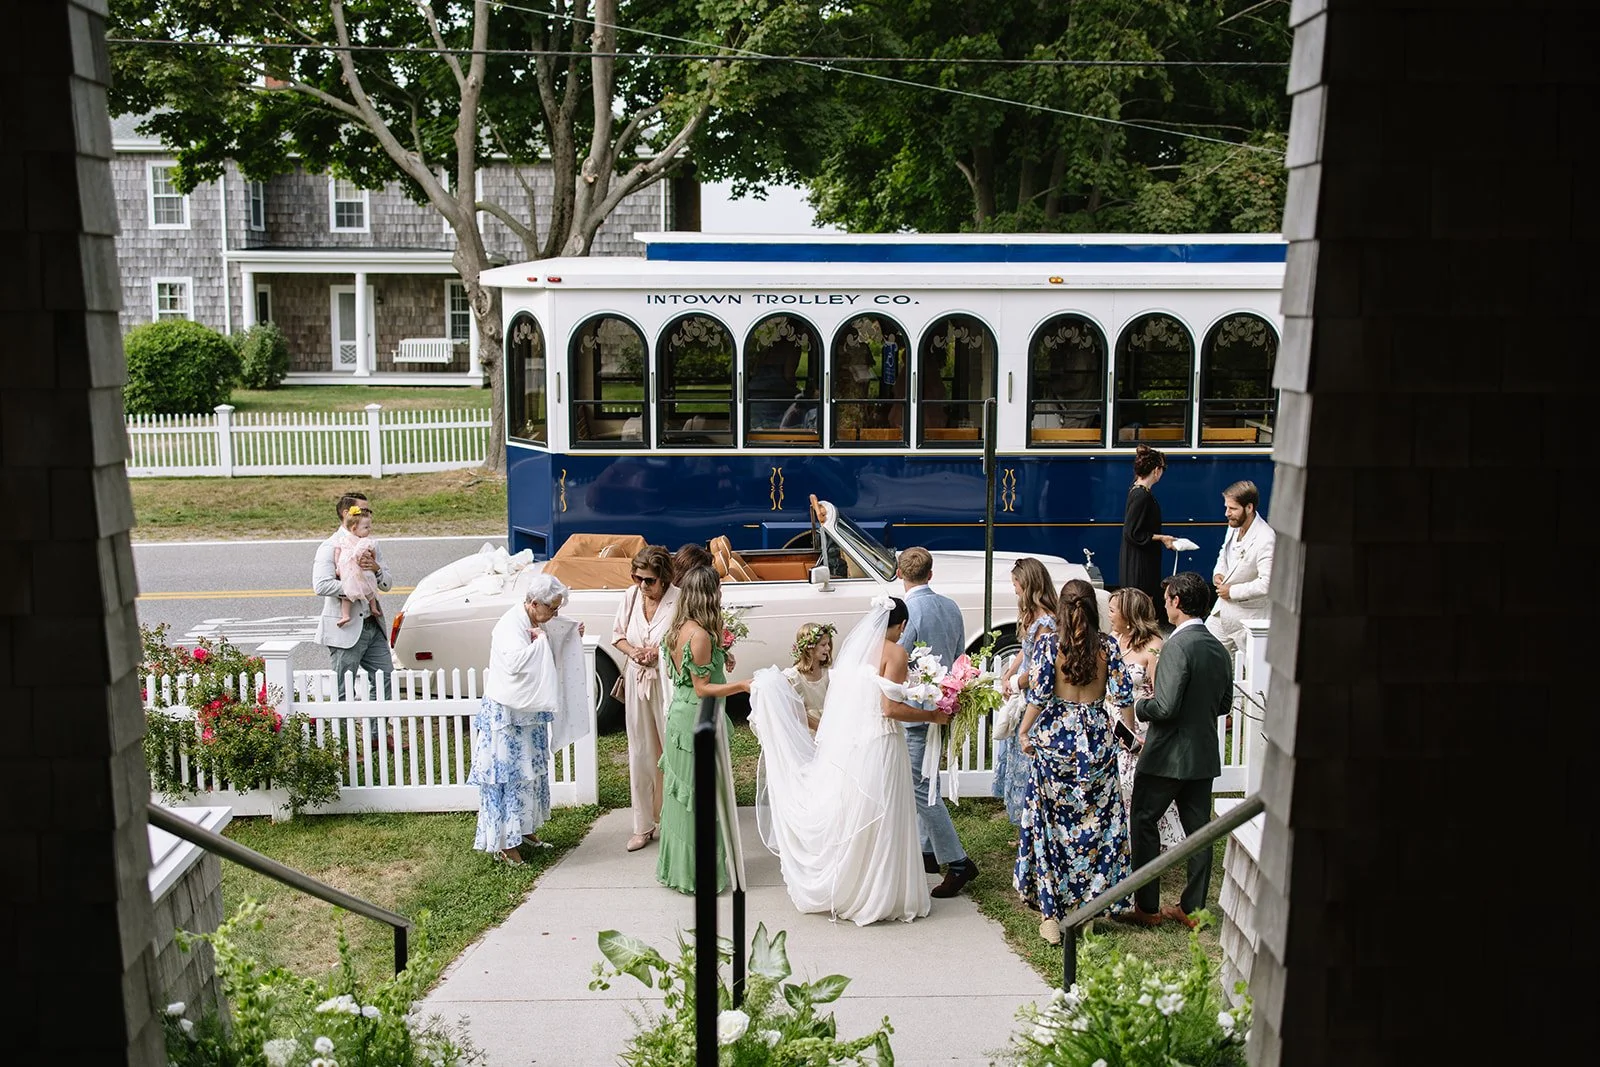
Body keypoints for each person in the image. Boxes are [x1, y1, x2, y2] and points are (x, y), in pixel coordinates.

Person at [747, 596, 948, 925]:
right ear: (901, 626)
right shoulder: (896, 652)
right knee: (886, 816)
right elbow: (889, 709)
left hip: (856, 745)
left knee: (861, 817)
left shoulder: (857, 654)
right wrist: (932, 715)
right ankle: (882, 894)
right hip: (883, 742)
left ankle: (853, 887)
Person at [1014, 579, 1134, 946]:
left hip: (1057, 741)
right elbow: (1125, 697)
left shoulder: (1051, 644)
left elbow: (1038, 695)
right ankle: (1090, 909)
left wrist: (1023, 732)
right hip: (1096, 742)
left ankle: (1052, 915)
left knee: (1050, 827)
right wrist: (1125, 734)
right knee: (1099, 825)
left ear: (1063, 609)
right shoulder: (1108, 647)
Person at [1122, 571, 1234, 929]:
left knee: (1142, 820)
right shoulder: (1218, 647)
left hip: (1167, 754)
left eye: (1167, 597)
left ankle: (1147, 906)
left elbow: (1165, 707)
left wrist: (1140, 707)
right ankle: (1193, 909)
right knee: (1199, 832)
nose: (1164, 603)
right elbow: (1224, 704)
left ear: (1177, 603)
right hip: (1202, 754)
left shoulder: (1175, 646)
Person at [471, 575, 586, 864]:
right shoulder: (509, 626)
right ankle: (504, 842)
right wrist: (543, 642)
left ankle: (524, 830)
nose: (555, 615)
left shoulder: (536, 620)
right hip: (508, 717)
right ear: (534, 604)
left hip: (527, 714)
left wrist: (567, 632)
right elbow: (515, 662)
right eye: (552, 609)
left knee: (529, 773)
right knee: (509, 776)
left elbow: (547, 639)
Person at [656, 566, 750, 895]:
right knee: (701, 799)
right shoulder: (700, 636)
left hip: (680, 718)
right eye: (718, 590)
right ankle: (697, 874)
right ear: (709, 594)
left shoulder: (680, 627)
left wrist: (723, 656)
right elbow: (702, 689)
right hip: (697, 720)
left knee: (685, 799)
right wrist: (742, 685)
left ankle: (681, 869)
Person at [895, 546, 980, 897]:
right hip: (945, 704)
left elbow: (898, 658)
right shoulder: (951, 607)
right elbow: (961, 654)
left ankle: (958, 862)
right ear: (931, 574)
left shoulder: (907, 611)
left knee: (920, 788)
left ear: (901, 576)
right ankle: (927, 852)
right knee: (928, 778)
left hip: (917, 709)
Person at [610, 545, 680, 853]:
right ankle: (642, 825)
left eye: (649, 580)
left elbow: (684, 638)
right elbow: (618, 636)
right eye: (638, 578)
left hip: (667, 684)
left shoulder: (678, 600)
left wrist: (660, 652)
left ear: (664, 578)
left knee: (671, 751)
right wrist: (634, 652)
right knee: (640, 752)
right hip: (637, 682)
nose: (643, 585)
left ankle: (676, 820)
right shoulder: (630, 596)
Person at [1107, 587, 1184, 852]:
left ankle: (1146, 841)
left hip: (1138, 726)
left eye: (1113, 610)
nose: (1110, 615)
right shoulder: (1112, 640)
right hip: (1109, 721)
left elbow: (1161, 692)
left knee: (1133, 784)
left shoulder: (1153, 646)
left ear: (1129, 614)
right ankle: (1117, 841)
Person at [991, 558, 1059, 828]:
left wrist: (1018, 682)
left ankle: (1032, 824)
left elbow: (1042, 668)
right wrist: (1009, 671)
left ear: (1027, 584)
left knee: (1029, 764)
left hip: (1036, 699)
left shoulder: (1048, 622)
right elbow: (1025, 650)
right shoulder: (1033, 617)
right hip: (1024, 693)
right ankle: (1024, 826)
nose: (1014, 590)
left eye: (1016, 584)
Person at [313, 492, 393, 699]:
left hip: (372, 625)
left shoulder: (370, 544)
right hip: (346, 630)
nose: (367, 513)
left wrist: (375, 569)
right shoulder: (331, 546)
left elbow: (387, 583)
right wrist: (355, 588)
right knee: (343, 688)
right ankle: (342, 732)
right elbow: (321, 585)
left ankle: (378, 732)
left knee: (385, 679)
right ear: (347, 514)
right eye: (363, 510)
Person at [1206, 480, 1275, 656]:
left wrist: (1233, 591)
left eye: (1232, 508)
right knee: (1204, 655)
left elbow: (1267, 583)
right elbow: (1224, 552)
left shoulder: (1266, 538)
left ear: (1249, 508)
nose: (1227, 513)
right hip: (1222, 612)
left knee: (1252, 674)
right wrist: (1218, 572)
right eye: (1226, 507)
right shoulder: (1234, 526)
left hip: (1249, 619)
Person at [1120, 445, 1176, 627]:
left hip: (1138, 560)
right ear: (1156, 471)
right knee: (1143, 605)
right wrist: (1161, 538)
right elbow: (1133, 532)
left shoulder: (1136, 491)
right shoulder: (1142, 496)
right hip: (1141, 563)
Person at [332, 505, 381, 627]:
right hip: (349, 570)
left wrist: (374, 562)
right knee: (347, 594)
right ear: (354, 528)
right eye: (366, 527)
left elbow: (373, 553)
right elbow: (338, 552)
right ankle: (345, 615)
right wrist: (338, 566)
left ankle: (373, 607)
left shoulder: (367, 541)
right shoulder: (344, 540)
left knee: (370, 588)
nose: (369, 529)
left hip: (363, 570)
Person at [782, 622, 835, 732]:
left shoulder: (827, 673)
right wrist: (820, 728)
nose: (828, 648)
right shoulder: (794, 677)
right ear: (809, 648)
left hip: (830, 722)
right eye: (823, 645)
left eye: (828, 644)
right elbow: (795, 711)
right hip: (808, 728)